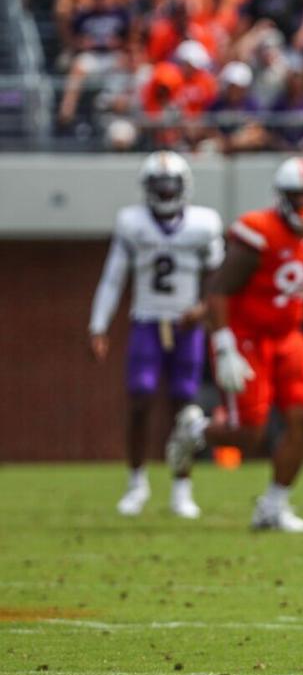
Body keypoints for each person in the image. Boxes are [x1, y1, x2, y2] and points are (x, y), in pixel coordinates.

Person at [165, 157, 303, 532]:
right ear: (282, 198)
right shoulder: (258, 232)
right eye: (298, 198)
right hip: (246, 337)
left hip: (289, 336)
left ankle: (273, 507)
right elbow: (220, 291)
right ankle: (195, 431)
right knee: (249, 434)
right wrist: (224, 344)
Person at [88, 152, 224, 518]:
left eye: (170, 186)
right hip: (147, 321)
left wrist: (208, 312)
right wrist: (98, 324)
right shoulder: (132, 223)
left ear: (184, 188)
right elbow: (114, 277)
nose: (165, 192)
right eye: (158, 186)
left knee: (186, 410)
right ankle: (137, 483)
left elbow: (219, 281)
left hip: (187, 326)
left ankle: (182, 487)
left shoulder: (204, 223)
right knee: (139, 402)